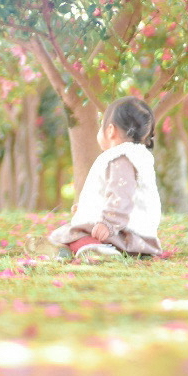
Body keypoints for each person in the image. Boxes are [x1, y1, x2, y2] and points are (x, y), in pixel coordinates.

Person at [49, 97, 162, 262]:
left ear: (110, 130)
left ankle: (93, 249)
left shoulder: (120, 157)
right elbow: (126, 196)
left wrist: (109, 223)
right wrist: (86, 208)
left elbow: (121, 195)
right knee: (72, 233)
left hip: (120, 235)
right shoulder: (138, 157)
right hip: (139, 237)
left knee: (68, 234)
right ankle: (80, 250)